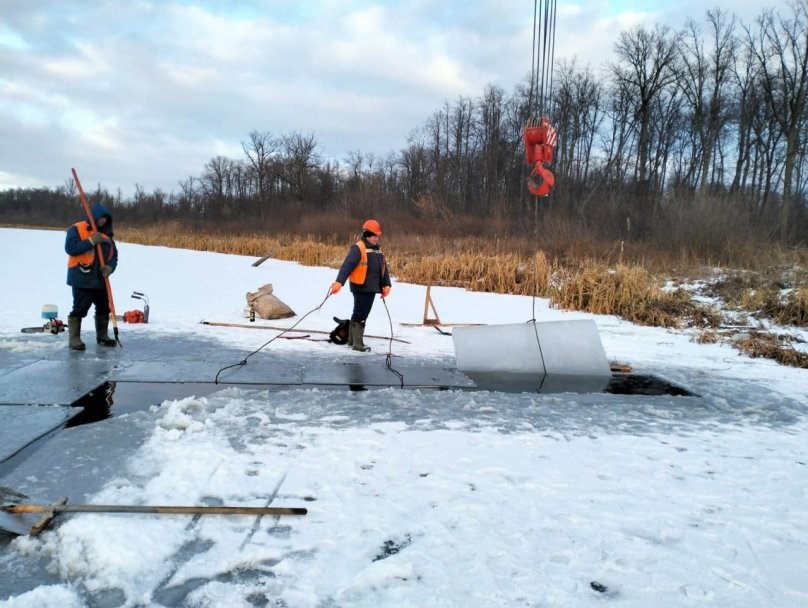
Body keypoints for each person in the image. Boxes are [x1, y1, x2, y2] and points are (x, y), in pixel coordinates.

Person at [330, 219, 392, 352]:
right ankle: (358, 344)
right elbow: (347, 266)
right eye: (375, 235)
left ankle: (352, 341)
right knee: (361, 315)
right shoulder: (358, 248)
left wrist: (386, 285)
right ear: (368, 234)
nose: (377, 238)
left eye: (377, 236)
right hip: (361, 287)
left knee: (358, 313)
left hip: (371, 287)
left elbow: (383, 268)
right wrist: (339, 282)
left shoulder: (377, 249)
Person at [65, 202, 118, 350]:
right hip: (82, 277)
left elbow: (114, 256)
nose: (103, 221)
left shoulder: (106, 234)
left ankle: (102, 336)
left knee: (103, 307)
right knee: (80, 308)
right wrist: (90, 241)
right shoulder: (77, 229)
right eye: (101, 218)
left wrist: (110, 268)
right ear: (93, 217)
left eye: (106, 219)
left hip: (101, 279)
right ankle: (74, 339)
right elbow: (71, 248)